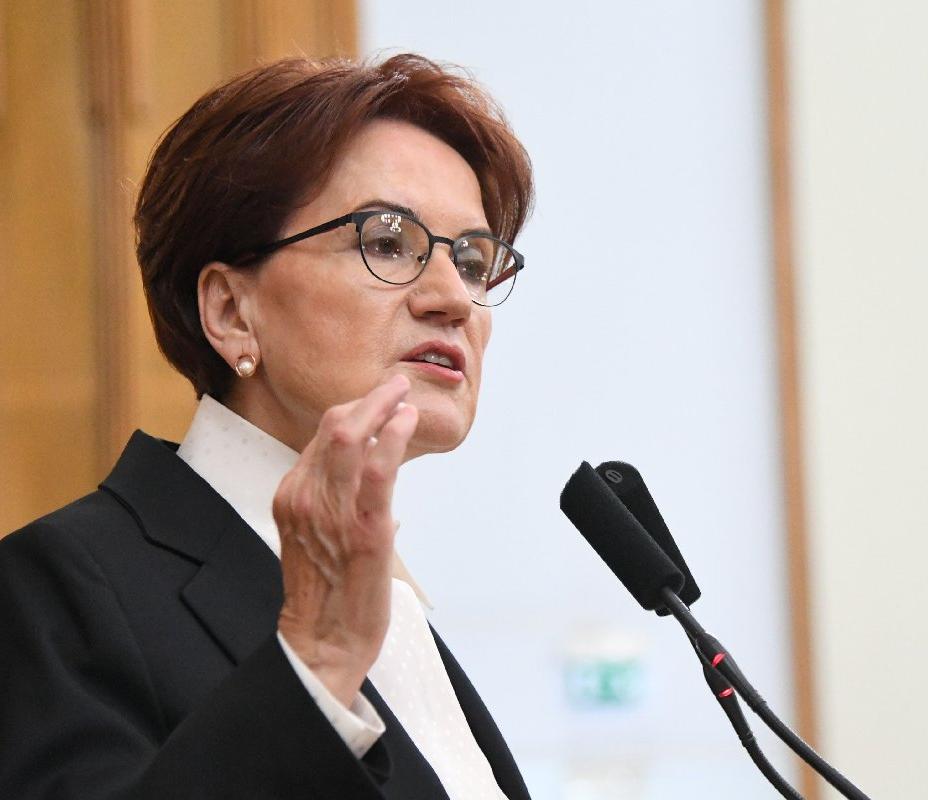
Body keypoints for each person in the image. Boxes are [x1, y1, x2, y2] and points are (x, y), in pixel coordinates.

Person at [0, 53, 533, 799]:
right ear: (230, 312)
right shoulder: (58, 588)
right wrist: (316, 667)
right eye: (387, 241)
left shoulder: (397, 608)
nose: (453, 299)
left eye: (473, 261)